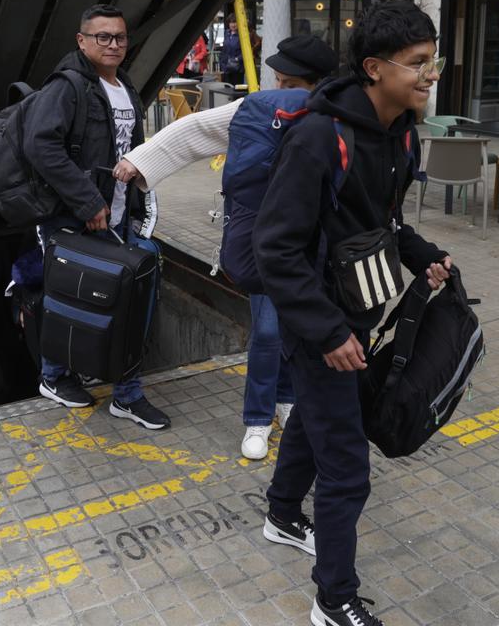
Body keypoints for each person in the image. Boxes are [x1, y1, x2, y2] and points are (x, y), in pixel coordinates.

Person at [253, 1, 452, 626]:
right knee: (348, 470)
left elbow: (381, 224)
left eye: (432, 60)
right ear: (374, 68)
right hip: (320, 325)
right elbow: (275, 248)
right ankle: (333, 599)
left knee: (317, 427)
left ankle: (283, 514)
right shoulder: (319, 137)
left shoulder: (402, 132)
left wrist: (425, 255)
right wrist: (327, 331)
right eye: (417, 64)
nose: (430, 75)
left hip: (362, 315)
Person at [113, 35, 339, 460]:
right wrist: (141, 162)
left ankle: (285, 400)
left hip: (316, 242)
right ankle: (257, 419)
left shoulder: (340, 113)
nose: (276, 79)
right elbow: (196, 129)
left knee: (295, 330)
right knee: (269, 331)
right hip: (268, 242)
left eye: (286, 75)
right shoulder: (260, 107)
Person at [21, 3, 170, 430]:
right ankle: (111, 391)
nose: (113, 44)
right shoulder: (67, 87)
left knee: (101, 301)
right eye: (102, 36)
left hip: (118, 218)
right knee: (78, 300)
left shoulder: (125, 86)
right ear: (81, 40)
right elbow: (40, 146)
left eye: (120, 37)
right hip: (73, 218)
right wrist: (88, 203)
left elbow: (131, 152)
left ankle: (70, 379)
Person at [222, 19, 245, 86]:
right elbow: (224, 49)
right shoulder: (227, 33)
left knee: (237, 88)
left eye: (235, 22)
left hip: (237, 67)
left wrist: (237, 59)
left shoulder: (242, 34)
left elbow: (245, 51)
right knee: (227, 88)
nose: (233, 25)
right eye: (231, 22)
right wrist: (222, 62)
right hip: (226, 67)